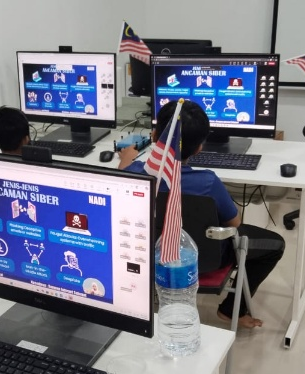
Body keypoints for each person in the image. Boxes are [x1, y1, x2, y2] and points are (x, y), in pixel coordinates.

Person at [117, 100, 284, 328]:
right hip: (203, 261)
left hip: (146, 255)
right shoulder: (208, 182)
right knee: (276, 245)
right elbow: (235, 224)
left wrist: (126, 159)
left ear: (155, 136)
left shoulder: (135, 172)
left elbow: (125, 172)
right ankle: (231, 310)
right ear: (199, 148)